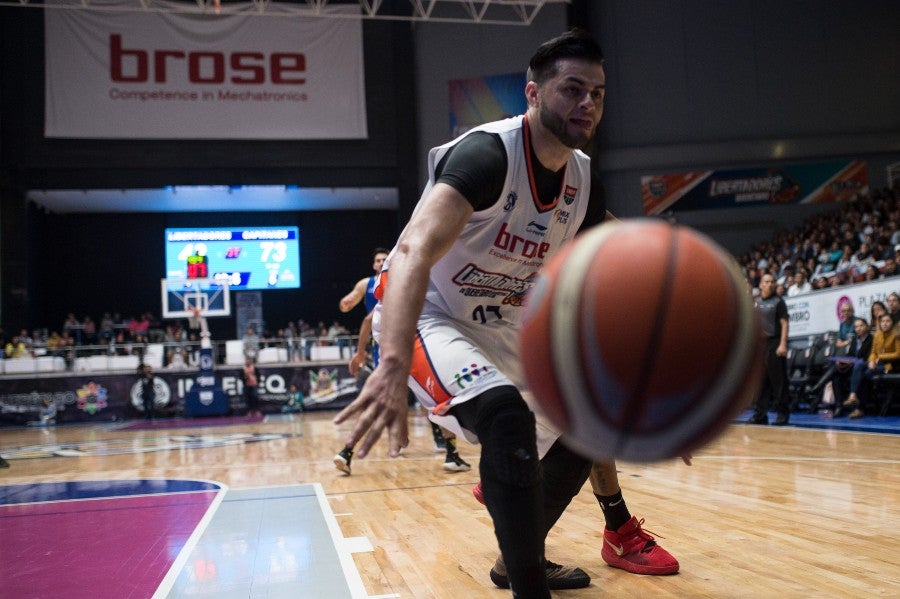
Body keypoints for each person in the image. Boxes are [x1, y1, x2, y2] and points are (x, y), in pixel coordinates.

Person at [335, 29, 677, 597]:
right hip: (430, 316)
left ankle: (520, 550)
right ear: (534, 94)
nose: (587, 103)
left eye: (597, 92)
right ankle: (527, 583)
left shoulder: (582, 180)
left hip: (507, 324)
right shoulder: (487, 154)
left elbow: (618, 253)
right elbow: (415, 250)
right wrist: (391, 361)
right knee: (506, 418)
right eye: (572, 89)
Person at [337, 309, 471, 474]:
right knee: (439, 404)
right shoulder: (419, 295)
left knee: (377, 408)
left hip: (393, 361)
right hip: (417, 356)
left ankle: (346, 451)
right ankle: (451, 454)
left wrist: (359, 352)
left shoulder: (392, 299)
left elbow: (367, 320)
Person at [750, 273, 791, 425]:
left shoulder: (779, 302)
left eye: (772, 282)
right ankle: (760, 415)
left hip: (775, 343)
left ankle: (782, 414)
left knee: (778, 381)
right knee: (761, 382)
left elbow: (784, 324)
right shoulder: (755, 302)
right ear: (760, 285)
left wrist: (783, 344)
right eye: (766, 282)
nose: (770, 284)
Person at [843, 312, 900, 418]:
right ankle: (853, 395)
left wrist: (880, 357)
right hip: (876, 364)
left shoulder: (896, 335)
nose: (885, 323)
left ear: (892, 323)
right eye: (882, 321)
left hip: (890, 366)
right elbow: (873, 352)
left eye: (888, 321)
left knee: (865, 376)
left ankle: (859, 409)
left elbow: (898, 354)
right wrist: (872, 361)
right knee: (859, 366)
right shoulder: (877, 335)